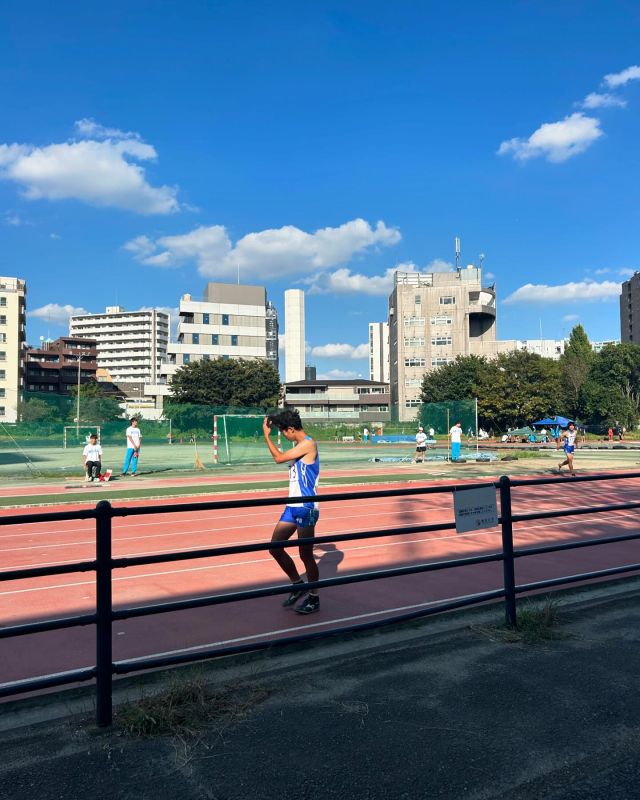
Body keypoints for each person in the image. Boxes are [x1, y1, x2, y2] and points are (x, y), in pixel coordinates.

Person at [263, 409, 321, 615]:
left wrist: (266, 436)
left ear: (290, 429)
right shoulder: (299, 446)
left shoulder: (308, 444)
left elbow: (278, 458)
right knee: (275, 548)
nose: (284, 436)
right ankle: (297, 585)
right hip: (292, 506)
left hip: (306, 507)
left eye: (284, 432)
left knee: (305, 555)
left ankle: (314, 598)